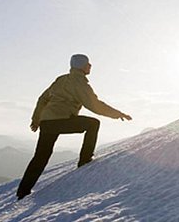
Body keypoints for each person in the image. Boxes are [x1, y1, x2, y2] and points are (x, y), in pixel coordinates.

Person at [16, 54, 132, 200]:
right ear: (81, 66)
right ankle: (85, 159)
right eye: (88, 63)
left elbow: (43, 99)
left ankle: (23, 191)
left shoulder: (61, 79)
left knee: (40, 157)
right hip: (61, 120)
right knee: (93, 124)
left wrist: (36, 119)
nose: (90, 66)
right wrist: (117, 113)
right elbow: (95, 105)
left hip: (47, 122)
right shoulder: (80, 83)